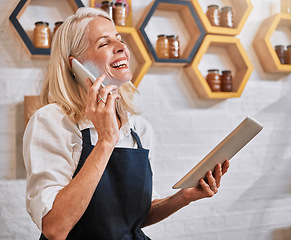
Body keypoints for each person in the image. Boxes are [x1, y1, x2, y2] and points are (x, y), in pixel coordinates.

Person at [23, 7, 230, 240]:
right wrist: (105, 141)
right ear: (75, 65)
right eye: (104, 43)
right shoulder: (52, 122)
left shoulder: (138, 129)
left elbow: (137, 215)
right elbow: (54, 228)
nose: (122, 47)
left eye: (119, 40)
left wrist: (183, 196)